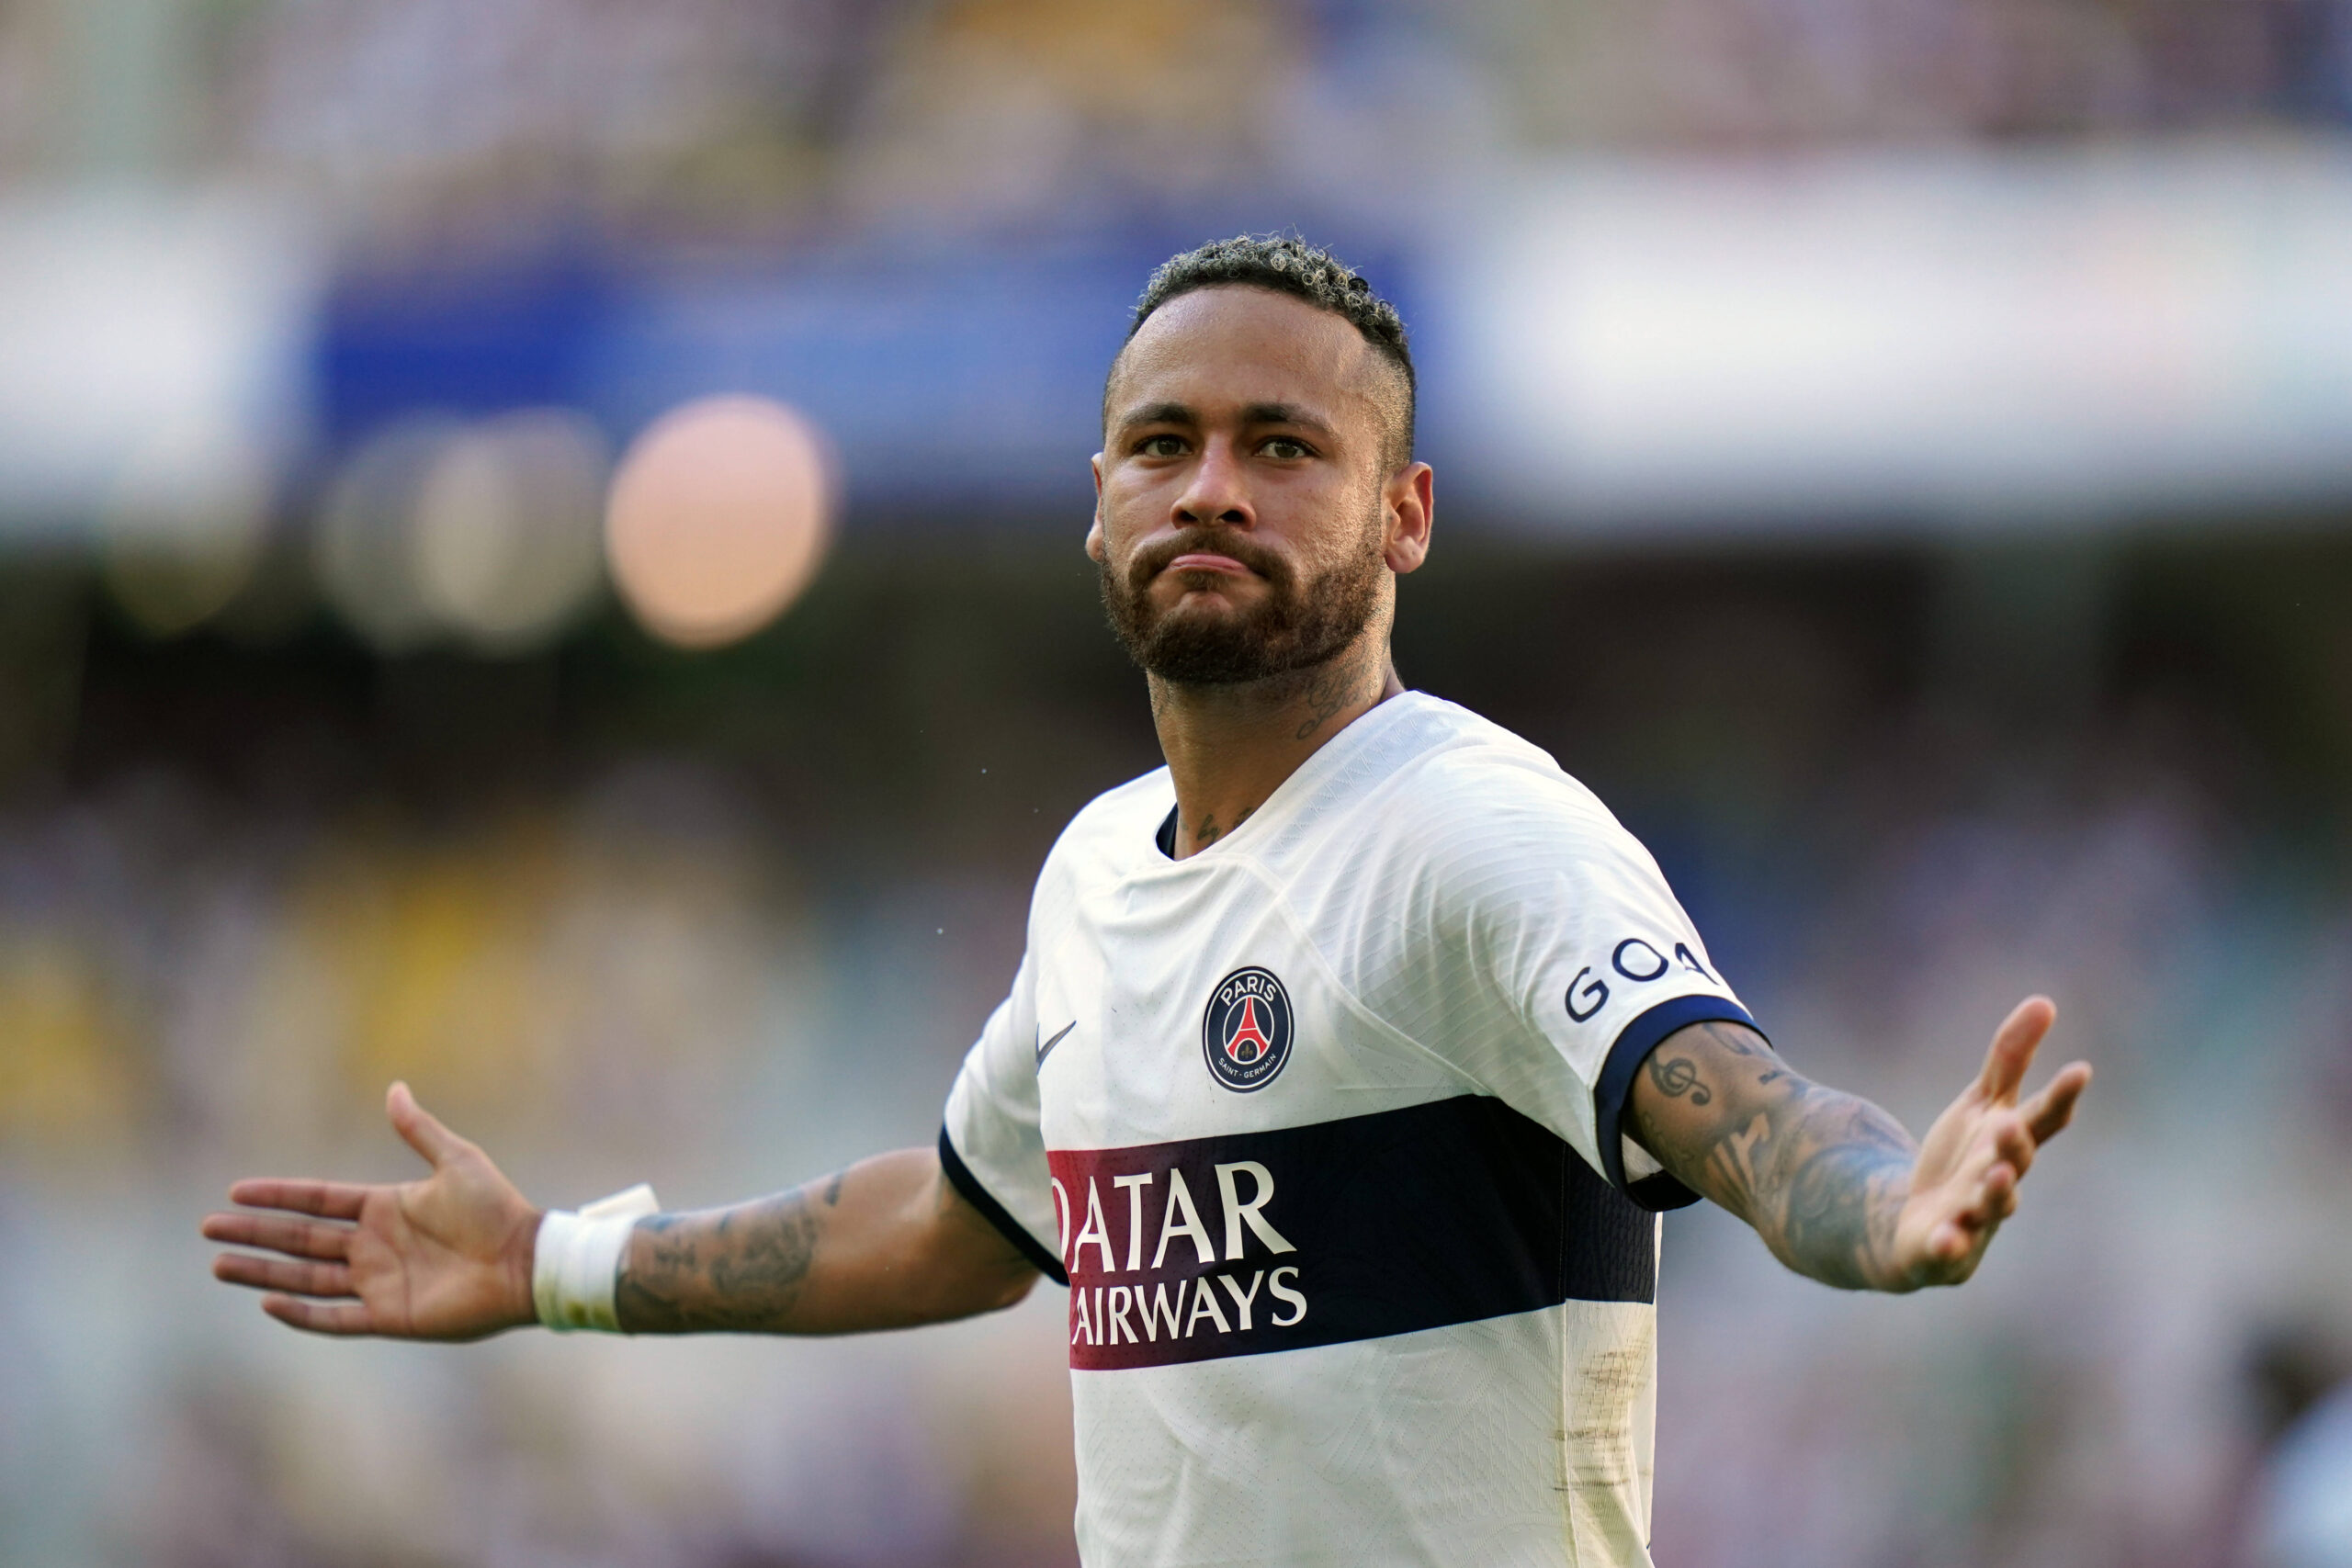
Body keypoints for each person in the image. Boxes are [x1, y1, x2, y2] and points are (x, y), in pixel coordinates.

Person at [204, 234, 2093, 1568]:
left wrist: (1870, 1206)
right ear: (1093, 500)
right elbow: (953, 1213)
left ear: (1403, 513)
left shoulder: (1474, 833)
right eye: (1161, 443)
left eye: (1285, 447)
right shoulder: (1099, 871)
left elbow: (1743, 1107)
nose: (1212, 487)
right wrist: (551, 1265)